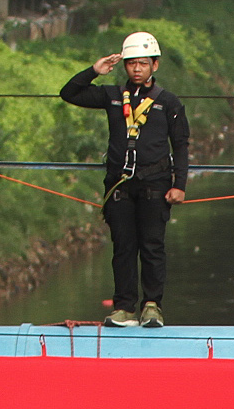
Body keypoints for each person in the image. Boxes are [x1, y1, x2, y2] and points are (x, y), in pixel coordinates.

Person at [60, 32, 191, 328]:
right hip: (119, 184)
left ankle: (152, 306)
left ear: (154, 66)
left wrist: (179, 185)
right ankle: (123, 307)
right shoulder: (113, 95)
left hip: (156, 183)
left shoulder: (168, 103)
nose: (137, 69)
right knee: (123, 247)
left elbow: (180, 145)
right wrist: (94, 70)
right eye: (132, 63)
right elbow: (69, 93)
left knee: (152, 246)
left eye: (143, 63)